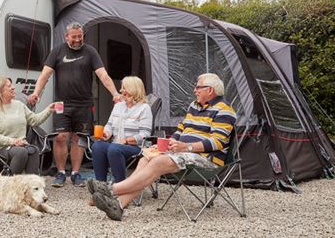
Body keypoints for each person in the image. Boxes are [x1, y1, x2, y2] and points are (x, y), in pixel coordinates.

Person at [88, 73, 236, 221]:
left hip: (207, 159)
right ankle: (119, 205)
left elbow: (217, 142)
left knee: (159, 162)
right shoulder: (194, 106)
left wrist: (186, 146)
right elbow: (180, 130)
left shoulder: (224, 110)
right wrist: (170, 143)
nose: (194, 90)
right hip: (183, 152)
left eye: (198, 87)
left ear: (210, 90)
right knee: (146, 158)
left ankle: (110, 189)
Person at [27, 22, 121, 187]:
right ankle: (61, 172)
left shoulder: (90, 52)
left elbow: (103, 75)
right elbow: (44, 75)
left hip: (84, 103)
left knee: (79, 138)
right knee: (60, 137)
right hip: (61, 103)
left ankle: (76, 173)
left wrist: (115, 94)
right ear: (66, 36)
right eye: (74, 37)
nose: (78, 40)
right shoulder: (57, 51)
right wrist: (36, 93)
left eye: (80, 36)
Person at [0, 76, 57, 175]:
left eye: (12, 85)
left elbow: (35, 120)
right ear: (0, 91)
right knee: (21, 152)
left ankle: (31, 185)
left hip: (21, 145)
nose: (13, 88)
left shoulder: (19, 105)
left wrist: (49, 110)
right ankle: (9, 182)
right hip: (1, 147)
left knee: (33, 150)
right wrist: (12, 141)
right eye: (9, 86)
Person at [91, 76, 152, 185]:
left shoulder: (144, 108)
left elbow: (145, 134)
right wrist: (106, 133)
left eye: (125, 88)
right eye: (122, 88)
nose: (121, 91)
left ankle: (121, 188)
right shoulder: (118, 106)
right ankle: (101, 187)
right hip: (116, 144)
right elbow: (109, 125)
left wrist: (126, 140)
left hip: (136, 148)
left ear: (134, 90)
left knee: (114, 148)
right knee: (97, 146)